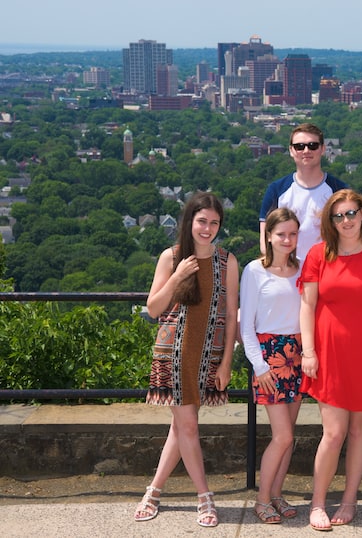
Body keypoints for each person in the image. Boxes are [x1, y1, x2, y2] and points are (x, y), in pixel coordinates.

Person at [133, 192, 238, 528]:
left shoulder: (227, 261)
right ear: (190, 221)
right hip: (174, 354)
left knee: (180, 428)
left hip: (209, 355)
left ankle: (153, 491)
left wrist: (227, 363)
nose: (207, 228)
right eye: (202, 221)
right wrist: (177, 276)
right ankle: (205, 497)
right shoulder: (172, 257)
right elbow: (153, 308)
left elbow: (231, 314)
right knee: (188, 425)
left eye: (214, 222)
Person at [298, 189, 362, 531]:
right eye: (338, 215)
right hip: (329, 354)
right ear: (330, 220)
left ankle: (350, 499)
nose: (346, 221)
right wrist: (308, 352)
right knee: (334, 432)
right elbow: (307, 306)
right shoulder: (317, 254)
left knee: (359, 429)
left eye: (352, 213)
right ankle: (318, 502)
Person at [240, 208, 303, 524]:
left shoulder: (303, 270)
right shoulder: (254, 270)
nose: (288, 240)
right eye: (282, 234)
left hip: (297, 354)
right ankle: (262, 499)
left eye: (293, 234)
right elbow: (246, 324)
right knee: (282, 436)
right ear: (269, 236)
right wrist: (259, 366)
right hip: (268, 356)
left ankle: (277, 494)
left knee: (289, 434)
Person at [259, 122, 347, 263]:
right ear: (291, 150)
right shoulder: (276, 190)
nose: (306, 151)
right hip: (288, 272)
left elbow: (351, 234)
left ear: (323, 149)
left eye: (313, 146)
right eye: (299, 146)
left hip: (328, 269)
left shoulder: (339, 190)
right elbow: (265, 238)